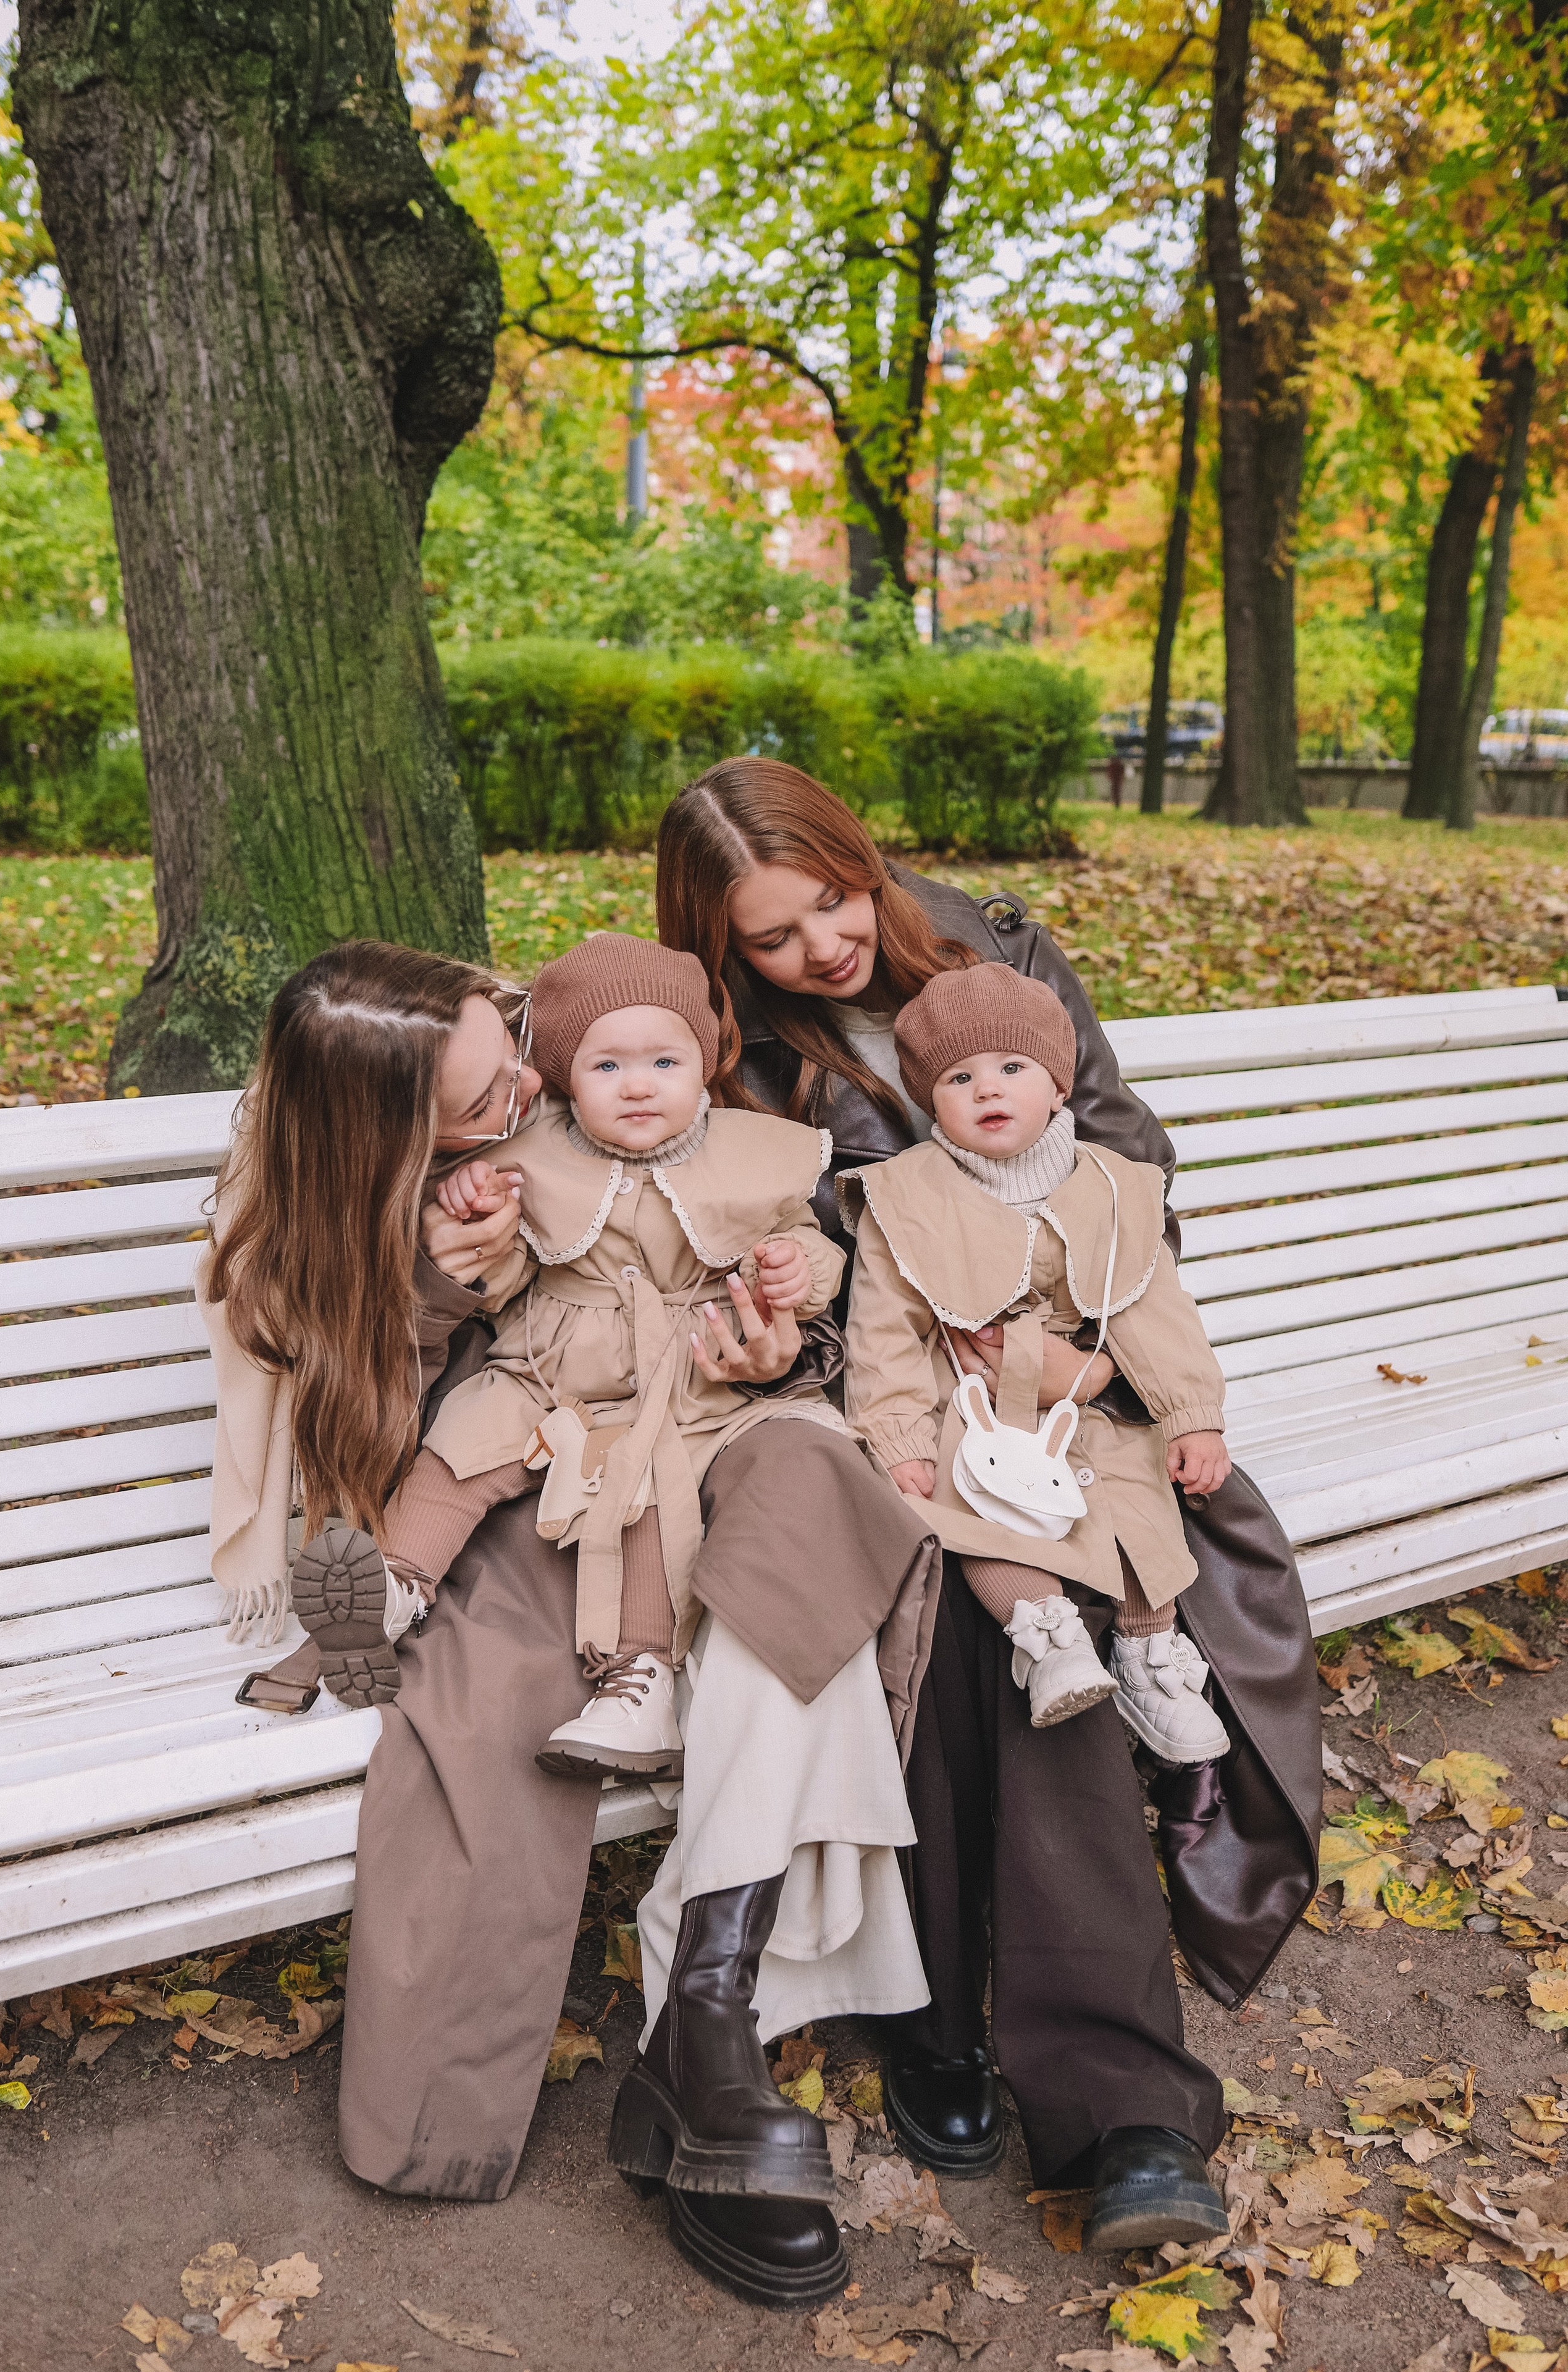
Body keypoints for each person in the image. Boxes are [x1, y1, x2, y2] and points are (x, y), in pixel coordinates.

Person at [200, 939, 942, 2306]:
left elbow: (751, 1239)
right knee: (481, 1726)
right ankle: (695, 2054)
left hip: (720, 1437)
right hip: (528, 1497)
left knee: (806, 1522)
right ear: (398, 1132)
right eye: (493, 1098)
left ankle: (702, 2016)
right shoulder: (343, 1200)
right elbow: (347, 1458)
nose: (533, 1093)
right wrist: (434, 1289)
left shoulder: (589, 1093)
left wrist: (776, 1345)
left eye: (519, 1048)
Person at [655, 756, 1322, 2253]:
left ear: (859, 856)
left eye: (830, 900)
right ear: (724, 953)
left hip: (1086, 1394)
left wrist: (1068, 1348)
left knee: (1055, 1619)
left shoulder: (998, 952)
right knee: (956, 1602)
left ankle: (1118, 2101)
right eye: (772, 938)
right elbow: (755, 1254)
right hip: (883, 1416)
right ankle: (941, 2016)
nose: (822, 947)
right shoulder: (739, 1059)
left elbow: (1134, 1162)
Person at [285, 932, 847, 1784]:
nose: (638, 1085)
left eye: (665, 1060)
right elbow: (508, 1278)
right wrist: (477, 1226)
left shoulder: (747, 1152)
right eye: (606, 1068)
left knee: (656, 1494)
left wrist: (797, 1276)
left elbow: (807, 1246)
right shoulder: (535, 1152)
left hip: (681, 1377)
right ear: (568, 1073)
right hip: (546, 1367)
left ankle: (640, 1678)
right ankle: (393, 1581)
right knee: (468, 1439)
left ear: (705, 1062)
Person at [840, 964, 1230, 1766]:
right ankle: (1047, 1639)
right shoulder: (908, 1196)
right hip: (968, 1396)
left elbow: (1152, 1311)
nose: (989, 1088)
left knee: (1133, 1489)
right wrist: (899, 1434)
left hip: (1075, 1398)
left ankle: (1151, 1654)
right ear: (932, 1100)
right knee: (971, 1504)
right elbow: (883, 1327)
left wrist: (1192, 1413)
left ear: (1058, 1087)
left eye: (1013, 1068)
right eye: (959, 1076)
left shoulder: (1112, 1187)